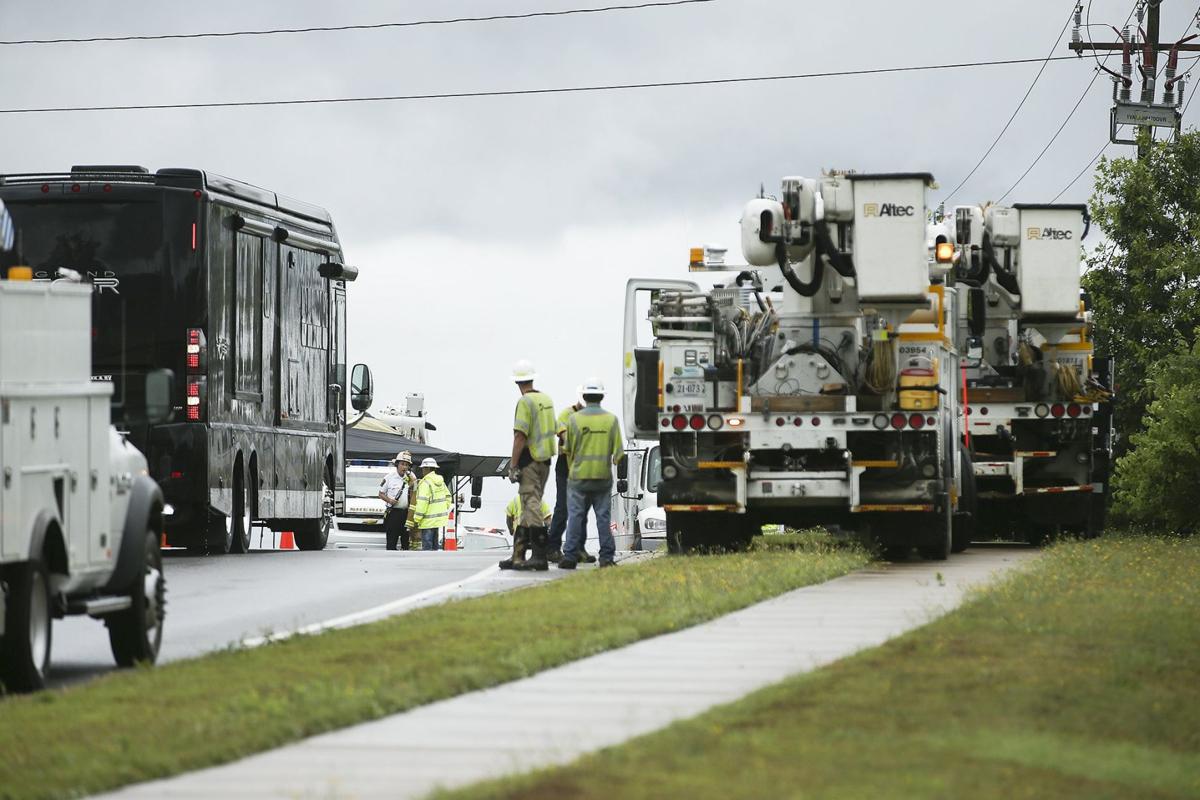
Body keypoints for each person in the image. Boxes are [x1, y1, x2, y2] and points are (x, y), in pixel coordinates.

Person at [558, 377, 624, 570]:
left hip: (578, 477)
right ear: (601, 397)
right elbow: (619, 454)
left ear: (585, 397)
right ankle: (606, 558)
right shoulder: (611, 420)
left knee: (576, 516)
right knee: (603, 517)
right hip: (602, 478)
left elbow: (567, 449)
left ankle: (570, 556)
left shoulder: (574, 419)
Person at [499, 359, 556, 572]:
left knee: (531, 505)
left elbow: (520, 435)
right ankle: (518, 556)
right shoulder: (546, 400)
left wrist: (513, 465)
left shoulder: (525, 402)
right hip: (546, 461)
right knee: (527, 505)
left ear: (516, 383)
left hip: (529, 460)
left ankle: (539, 556)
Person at [548, 393, 596, 564]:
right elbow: (565, 436)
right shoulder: (566, 415)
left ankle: (578, 549)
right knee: (563, 508)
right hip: (565, 468)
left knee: (581, 510)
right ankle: (552, 547)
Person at [408, 457, 451, 551]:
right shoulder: (440, 482)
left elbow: (422, 503)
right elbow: (448, 497)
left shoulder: (425, 483)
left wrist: (417, 518)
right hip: (438, 521)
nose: (422, 470)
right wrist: (442, 509)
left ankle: (428, 565)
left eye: (423, 468)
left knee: (427, 549)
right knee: (434, 548)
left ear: (427, 469)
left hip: (427, 521)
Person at [379, 450, 417, 551]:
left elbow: (416, 492)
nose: (404, 467)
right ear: (397, 464)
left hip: (407, 513)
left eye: (407, 465)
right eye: (402, 464)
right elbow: (381, 494)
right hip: (393, 513)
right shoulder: (389, 477)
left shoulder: (411, 477)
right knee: (391, 541)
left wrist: (413, 482)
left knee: (406, 542)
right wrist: (389, 500)